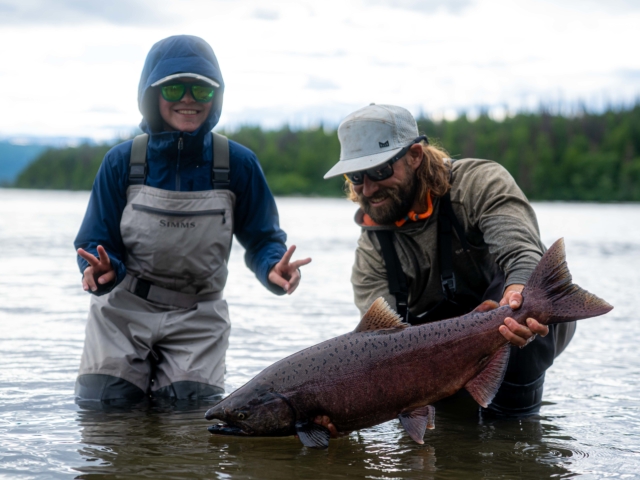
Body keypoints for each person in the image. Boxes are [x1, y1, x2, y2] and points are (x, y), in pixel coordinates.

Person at [73, 35, 310, 405]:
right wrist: (102, 271)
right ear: (153, 94)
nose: (188, 99)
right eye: (175, 88)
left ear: (215, 97)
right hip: (122, 311)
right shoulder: (121, 162)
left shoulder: (238, 164)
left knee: (190, 422)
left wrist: (272, 270)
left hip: (199, 315)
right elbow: (94, 240)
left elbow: (263, 240)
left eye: (200, 90)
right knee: (105, 414)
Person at [321, 103, 576, 423]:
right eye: (356, 176)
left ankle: (515, 426)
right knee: (451, 438)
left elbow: (523, 254)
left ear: (415, 155)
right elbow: (380, 347)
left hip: (521, 329)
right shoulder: (371, 252)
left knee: (525, 303)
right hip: (439, 355)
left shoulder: (479, 183)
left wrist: (517, 297)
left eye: (381, 170)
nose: (368, 188)